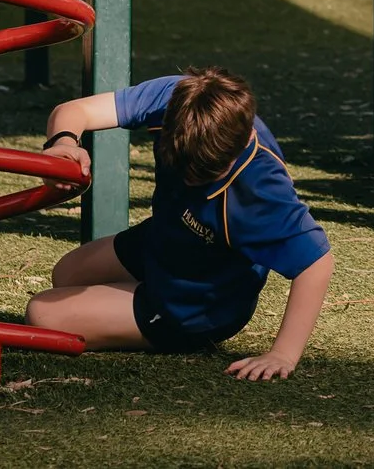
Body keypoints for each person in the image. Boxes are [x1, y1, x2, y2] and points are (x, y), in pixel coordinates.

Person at [26, 68, 333, 378]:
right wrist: (64, 143)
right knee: (66, 273)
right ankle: (129, 299)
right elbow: (73, 111)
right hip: (165, 240)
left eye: (204, 174)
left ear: (240, 147)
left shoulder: (260, 188)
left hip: (199, 301)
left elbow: (315, 262)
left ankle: (163, 320)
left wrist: (283, 353)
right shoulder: (182, 98)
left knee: (42, 314)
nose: (189, 178)